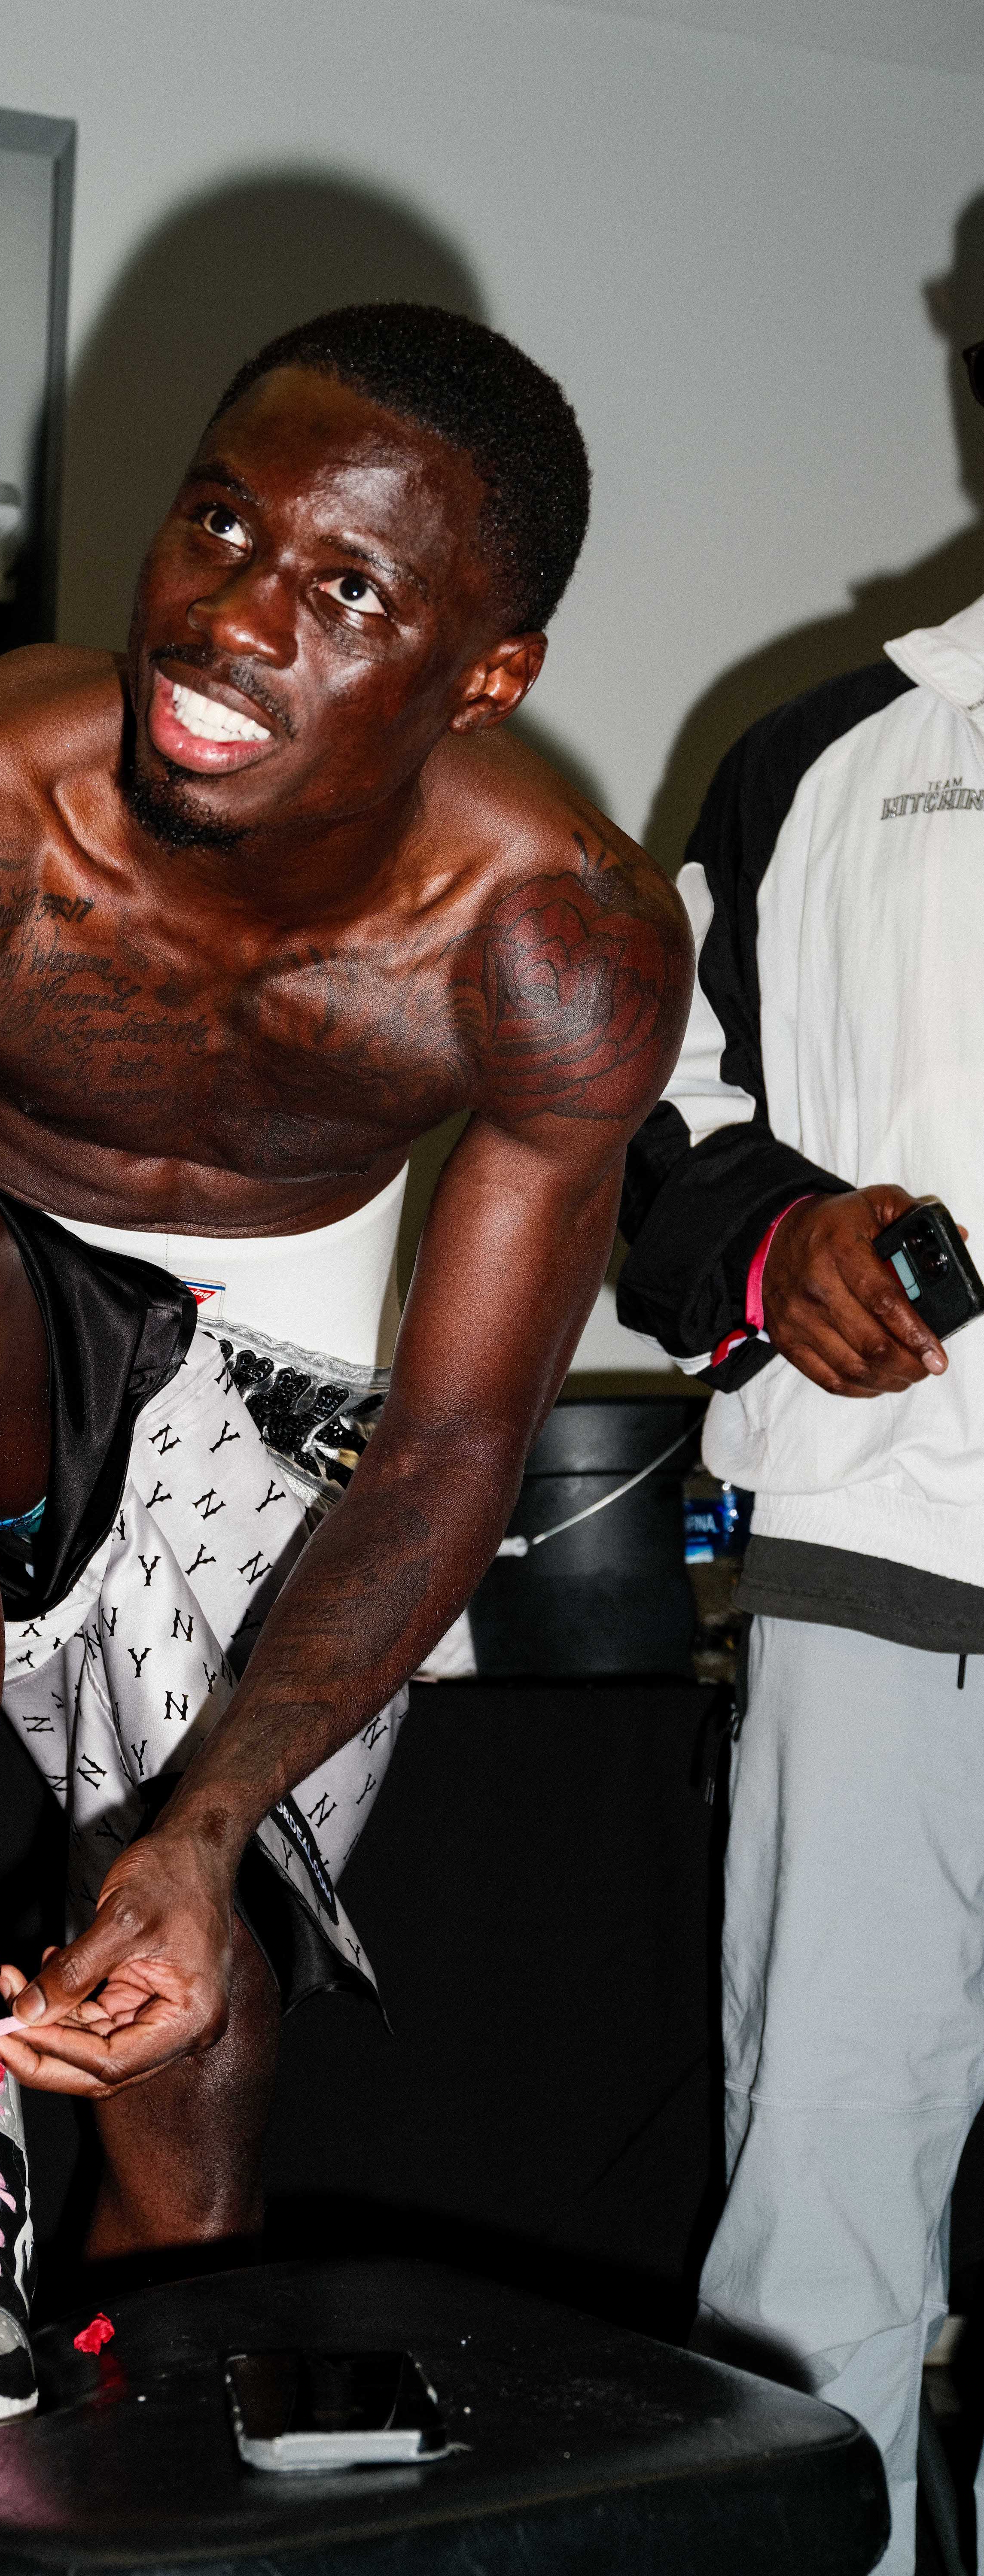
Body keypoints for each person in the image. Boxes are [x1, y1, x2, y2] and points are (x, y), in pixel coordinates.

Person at [0, 302, 690, 2426]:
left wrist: (203, 1823)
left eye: (343, 591)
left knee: (196, 2046)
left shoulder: (554, 941)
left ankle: (139, 2459)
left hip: (280, 1473)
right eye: (218, 521)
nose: (228, 619)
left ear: (482, 676)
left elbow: (455, 1444)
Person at [616, 331, 984, 2576]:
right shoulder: (820, 754)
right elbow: (634, 1103)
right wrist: (776, 1249)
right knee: (823, 2210)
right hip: (888, 1581)